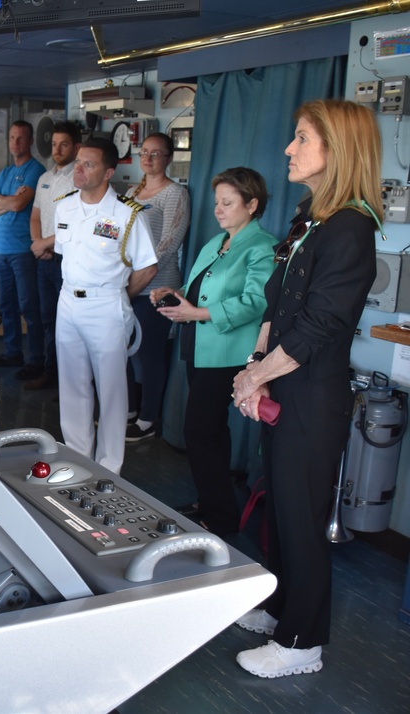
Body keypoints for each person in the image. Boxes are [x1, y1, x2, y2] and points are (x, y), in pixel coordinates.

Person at [230, 100, 381, 677]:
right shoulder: (310, 217)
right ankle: (279, 607)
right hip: (281, 387)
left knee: (301, 519)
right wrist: (253, 366)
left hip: (313, 399)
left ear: (336, 151)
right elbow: (277, 305)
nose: (289, 149)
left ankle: (301, 644)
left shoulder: (352, 228)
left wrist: (254, 376)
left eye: (301, 140)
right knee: (279, 513)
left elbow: (319, 327)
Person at [153, 167, 276, 536]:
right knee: (209, 433)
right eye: (217, 202)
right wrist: (174, 296)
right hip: (200, 346)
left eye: (228, 202)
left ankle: (220, 517)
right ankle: (212, 504)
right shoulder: (217, 242)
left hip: (230, 354)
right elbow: (200, 288)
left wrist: (198, 313)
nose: (218, 210)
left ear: (252, 204)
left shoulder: (262, 246)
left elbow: (255, 302)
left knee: (201, 432)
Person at [54, 137, 157, 475]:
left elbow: (147, 267)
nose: (78, 170)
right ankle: (75, 458)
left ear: (109, 172)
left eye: (89, 164)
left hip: (106, 304)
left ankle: (109, 466)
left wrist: (120, 298)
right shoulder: (65, 207)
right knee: (72, 385)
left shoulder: (126, 214)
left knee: (111, 391)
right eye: (78, 163)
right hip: (68, 300)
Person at [125, 133, 191, 440]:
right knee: (120, 351)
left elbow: (168, 244)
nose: (148, 158)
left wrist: (137, 280)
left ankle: (148, 419)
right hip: (127, 286)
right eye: (144, 152)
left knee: (149, 354)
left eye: (156, 154)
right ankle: (127, 410)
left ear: (168, 159)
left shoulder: (174, 194)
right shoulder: (130, 192)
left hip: (158, 288)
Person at [0, 120, 45, 380]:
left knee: (29, 306)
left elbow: (21, 205)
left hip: (24, 249)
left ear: (30, 141)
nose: (15, 143)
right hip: (3, 249)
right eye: (12, 138)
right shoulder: (6, 172)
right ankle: (12, 352)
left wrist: (4, 200)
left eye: (21, 138)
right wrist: (4, 201)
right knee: (6, 304)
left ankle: (36, 358)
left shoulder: (36, 170)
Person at [26, 120, 81, 390]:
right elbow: (35, 215)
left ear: (77, 147)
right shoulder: (45, 178)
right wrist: (39, 244)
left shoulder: (80, 179)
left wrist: (45, 244)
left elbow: (78, 225)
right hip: (45, 259)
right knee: (48, 318)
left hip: (67, 260)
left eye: (64, 144)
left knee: (70, 323)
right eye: (54, 144)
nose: (57, 149)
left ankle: (70, 383)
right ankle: (51, 373)